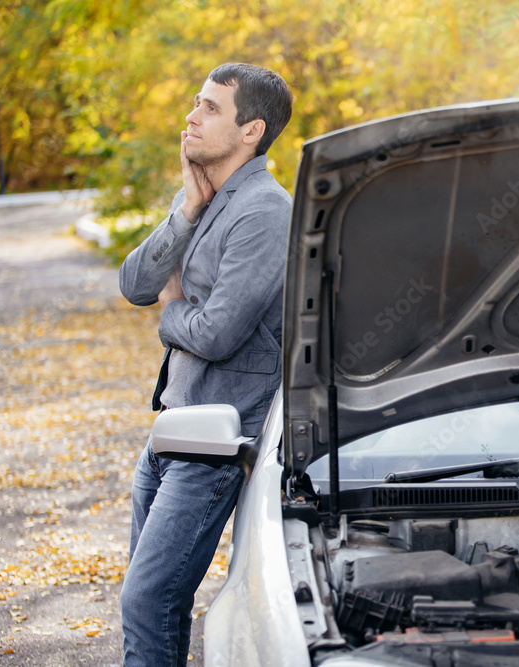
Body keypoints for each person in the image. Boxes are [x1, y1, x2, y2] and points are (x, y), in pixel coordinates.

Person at [117, 62, 293, 667]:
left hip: (217, 440)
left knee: (148, 599)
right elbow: (135, 284)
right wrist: (185, 214)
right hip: (172, 427)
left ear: (252, 130)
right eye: (196, 103)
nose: (192, 116)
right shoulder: (200, 198)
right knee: (147, 599)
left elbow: (216, 333)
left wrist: (174, 309)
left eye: (211, 108)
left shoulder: (266, 211)